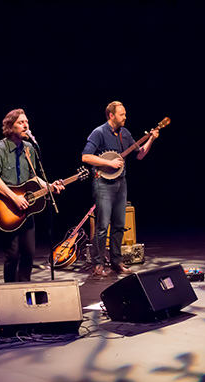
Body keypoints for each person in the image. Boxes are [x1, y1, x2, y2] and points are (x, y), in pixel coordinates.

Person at [0, 108, 64, 282]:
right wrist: (14, 198)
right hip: (8, 208)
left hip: (26, 210)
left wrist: (49, 186)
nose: (25, 125)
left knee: (29, 254)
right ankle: (9, 293)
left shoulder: (29, 149)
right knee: (12, 255)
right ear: (10, 127)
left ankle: (24, 291)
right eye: (21, 122)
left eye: (27, 122)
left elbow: (33, 177)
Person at [82, 101, 158, 277]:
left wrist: (152, 139)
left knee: (119, 225)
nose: (125, 117)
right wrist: (109, 162)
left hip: (120, 183)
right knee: (102, 226)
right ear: (111, 115)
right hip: (103, 184)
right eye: (122, 114)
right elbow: (86, 157)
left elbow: (139, 154)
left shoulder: (125, 133)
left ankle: (116, 262)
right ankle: (98, 264)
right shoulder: (99, 132)